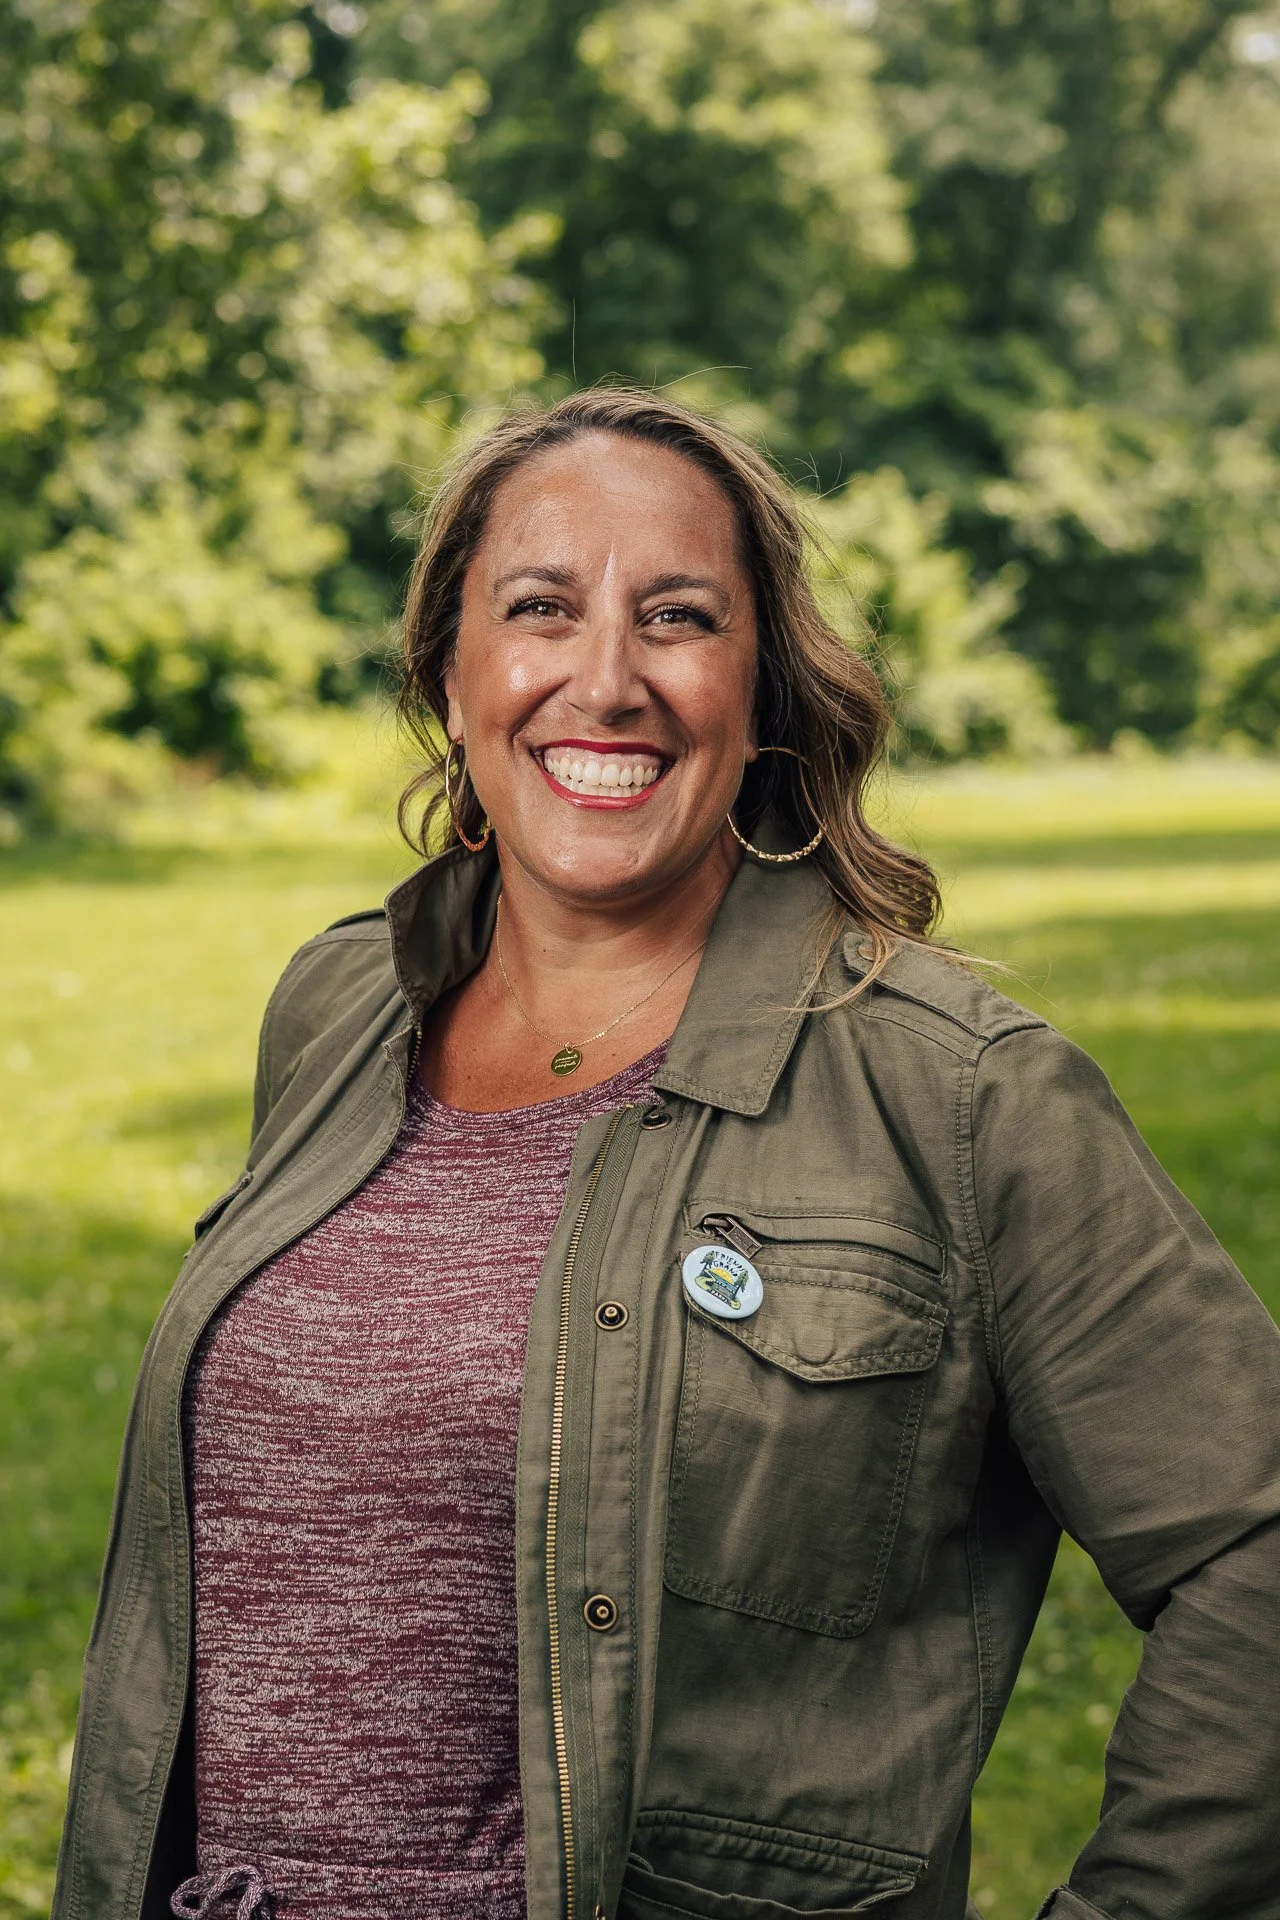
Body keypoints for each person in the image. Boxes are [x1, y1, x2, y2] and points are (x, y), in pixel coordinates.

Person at [53, 389, 1280, 1920]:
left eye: (681, 617)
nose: (607, 678)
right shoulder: (339, 1007)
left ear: (760, 690)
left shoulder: (961, 1099)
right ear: (454, 674)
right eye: (542, 608)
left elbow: (1254, 1550)